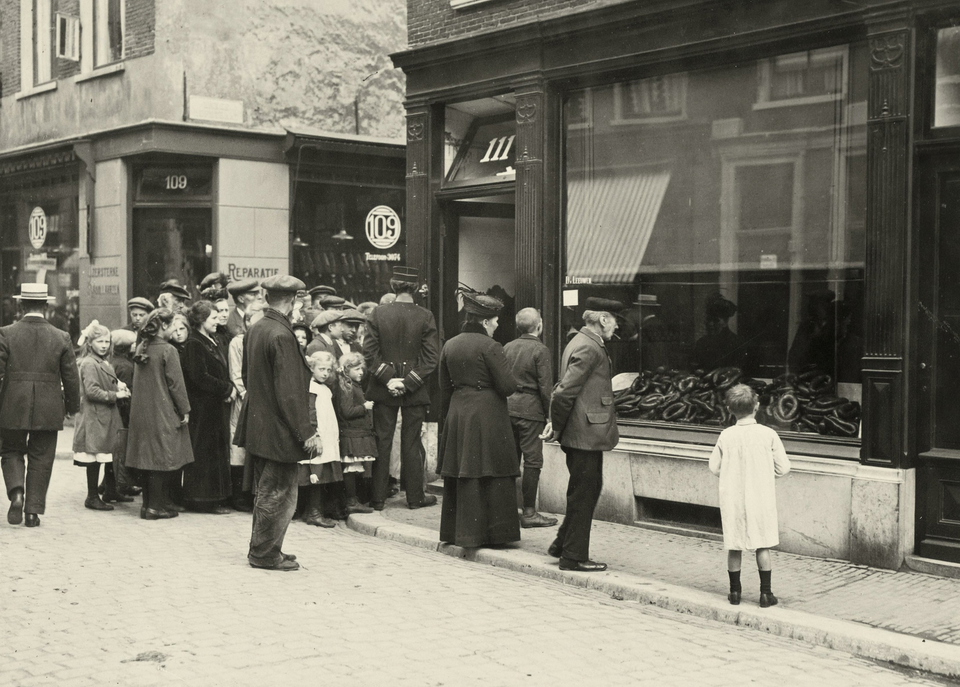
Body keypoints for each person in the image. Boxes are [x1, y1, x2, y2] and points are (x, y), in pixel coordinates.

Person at [241, 274, 319, 571]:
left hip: (261, 425)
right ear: (293, 300)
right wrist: (307, 432)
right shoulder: (282, 335)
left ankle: (267, 548)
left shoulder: (258, 327)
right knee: (278, 493)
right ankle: (265, 553)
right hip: (279, 430)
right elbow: (290, 392)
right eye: (301, 300)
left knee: (268, 490)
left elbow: (249, 377)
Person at [542, 298, 622, 572]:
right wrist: (557, 425)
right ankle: (573, 556)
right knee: (585, 491)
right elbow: (564, 391)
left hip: (582, 432)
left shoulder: (579, 341)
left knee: (584, 490)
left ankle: (563, 544)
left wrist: (557, 424)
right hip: (584, 434)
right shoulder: (589, 346)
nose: (617, 325)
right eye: (614, 319)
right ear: (603, 320)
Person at [438, 291, 520, 547]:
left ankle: (461, 533)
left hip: (459, 412)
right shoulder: (491, 346)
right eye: (495, 321)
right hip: (487, 415)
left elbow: (443, 385)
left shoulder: (450, 344)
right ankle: (495, 535)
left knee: (465, 471)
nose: (497, 326)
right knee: (491, 469)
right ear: (485, 322)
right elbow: (507, 386)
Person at [0, 283, 81, 528]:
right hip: (49, 406)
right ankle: (32, 512)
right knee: (42, 457)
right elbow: (71, 377)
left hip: (13, 403)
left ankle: (16, 493)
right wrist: (71, 406)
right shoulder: (61, 337)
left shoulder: (5, 333)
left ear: (21, 305)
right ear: (45, 306)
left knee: (11, 449)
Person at [363, 265, 440, 510]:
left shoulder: (377, 313)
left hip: (383, 388)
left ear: (393, 287)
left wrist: (389, 380)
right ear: (416, 288)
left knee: (382, 441)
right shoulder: (425, 315)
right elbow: (430, 359)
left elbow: (369, 354)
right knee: (411, 441)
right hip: (414, 390)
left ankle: (377, 499)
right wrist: (407, 383)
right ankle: (415, 498)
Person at [709, 384, 791, 608]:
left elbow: (714, 466)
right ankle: (766, 594)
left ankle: (735, 592)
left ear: (729, 409)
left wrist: (730, 474)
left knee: (734, 545)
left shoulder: (726, 436)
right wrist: (765, 474)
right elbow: (783, 468)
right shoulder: (768, 434)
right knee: (762, 544)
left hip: (733, 497)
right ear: (757, 406)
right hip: (760, 497)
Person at [126, 308, 194, 520]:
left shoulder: (141, 347)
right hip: (162, 412)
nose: (175, 329)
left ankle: (148, 505)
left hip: (141, 413)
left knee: (146, 457)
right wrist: (185, 409)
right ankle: (156, 508)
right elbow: (176, 385)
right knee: (162, 457)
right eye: (173, 324)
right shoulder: (168, 350)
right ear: (164, 326)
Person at [503, 308, 558, 528]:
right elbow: (546, 388)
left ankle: (508, 511)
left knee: (510, 461)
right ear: (540, 325)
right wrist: (550, 417)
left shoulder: (507, 347)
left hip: (508, 409)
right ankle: (528, 512)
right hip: (531, 412)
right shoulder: (540, 350)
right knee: (533, 461)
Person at [181, 301, 234, 514]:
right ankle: (202, 499)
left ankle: (212, 498)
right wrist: (226, 389)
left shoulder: (209, 340)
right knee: (205, 452)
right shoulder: (195, 343)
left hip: (213, 407)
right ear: (202, 320)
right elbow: (199, 377)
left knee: (213, 452)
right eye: (213, 317)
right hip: (203, 409)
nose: (218, 320)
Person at [72, 321, 130, 512]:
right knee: (95, 458)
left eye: (107, 341)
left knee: (107, 455)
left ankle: (111, 491)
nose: (104, 345)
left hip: (104, 416)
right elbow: (91, 391)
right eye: (100, 341)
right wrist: (116, 394)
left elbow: (104, 382)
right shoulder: (89, 363)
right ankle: (92, 496)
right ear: (90, 343)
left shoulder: (102, 361)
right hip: (95, 416)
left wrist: (118, 385)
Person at [299, 351, 343, 528]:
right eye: (321, 369)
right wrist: (314, 435)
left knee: (323, 474)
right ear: (311, 369)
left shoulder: (325, 388)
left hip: (328, 435)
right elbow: (310, 413)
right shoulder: (311, 388)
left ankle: (316, 509)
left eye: (328, 369)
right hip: (318, 436)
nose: (325, 373)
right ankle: (313, 512)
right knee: (315, 474)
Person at [227, 304, 263, 512]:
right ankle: (239, 495)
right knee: (239, 447)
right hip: (246, 400)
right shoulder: (238, 342)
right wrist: (247, 394)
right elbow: (236, 373)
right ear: (247, 321)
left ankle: (254, 494)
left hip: (261, 402)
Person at [336, 352, 376, 514]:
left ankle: (354, 499)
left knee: (356, 467)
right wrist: (364, 408)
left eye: (362, 369)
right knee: (352, 467)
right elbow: (346, 411)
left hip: (358, 433)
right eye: (357, 369)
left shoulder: (353, 385)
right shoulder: (347, 387)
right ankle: (351, 500)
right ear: (347, 370)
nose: (361, 372)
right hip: (352, 434)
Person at [105, 329, 139, 500]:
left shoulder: (113, 362)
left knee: (113, 453)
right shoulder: (126, 366)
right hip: (122, 414)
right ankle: (114, 488)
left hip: (114, 413)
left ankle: (108, 486)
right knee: (119, 453)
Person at [692, 294, 749, 374]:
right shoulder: (701, 343)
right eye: (709, 320)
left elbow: (739, 373)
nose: (711, 324)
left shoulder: (738, 344)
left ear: (725, 322)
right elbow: (694, 370)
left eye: (716, 320)